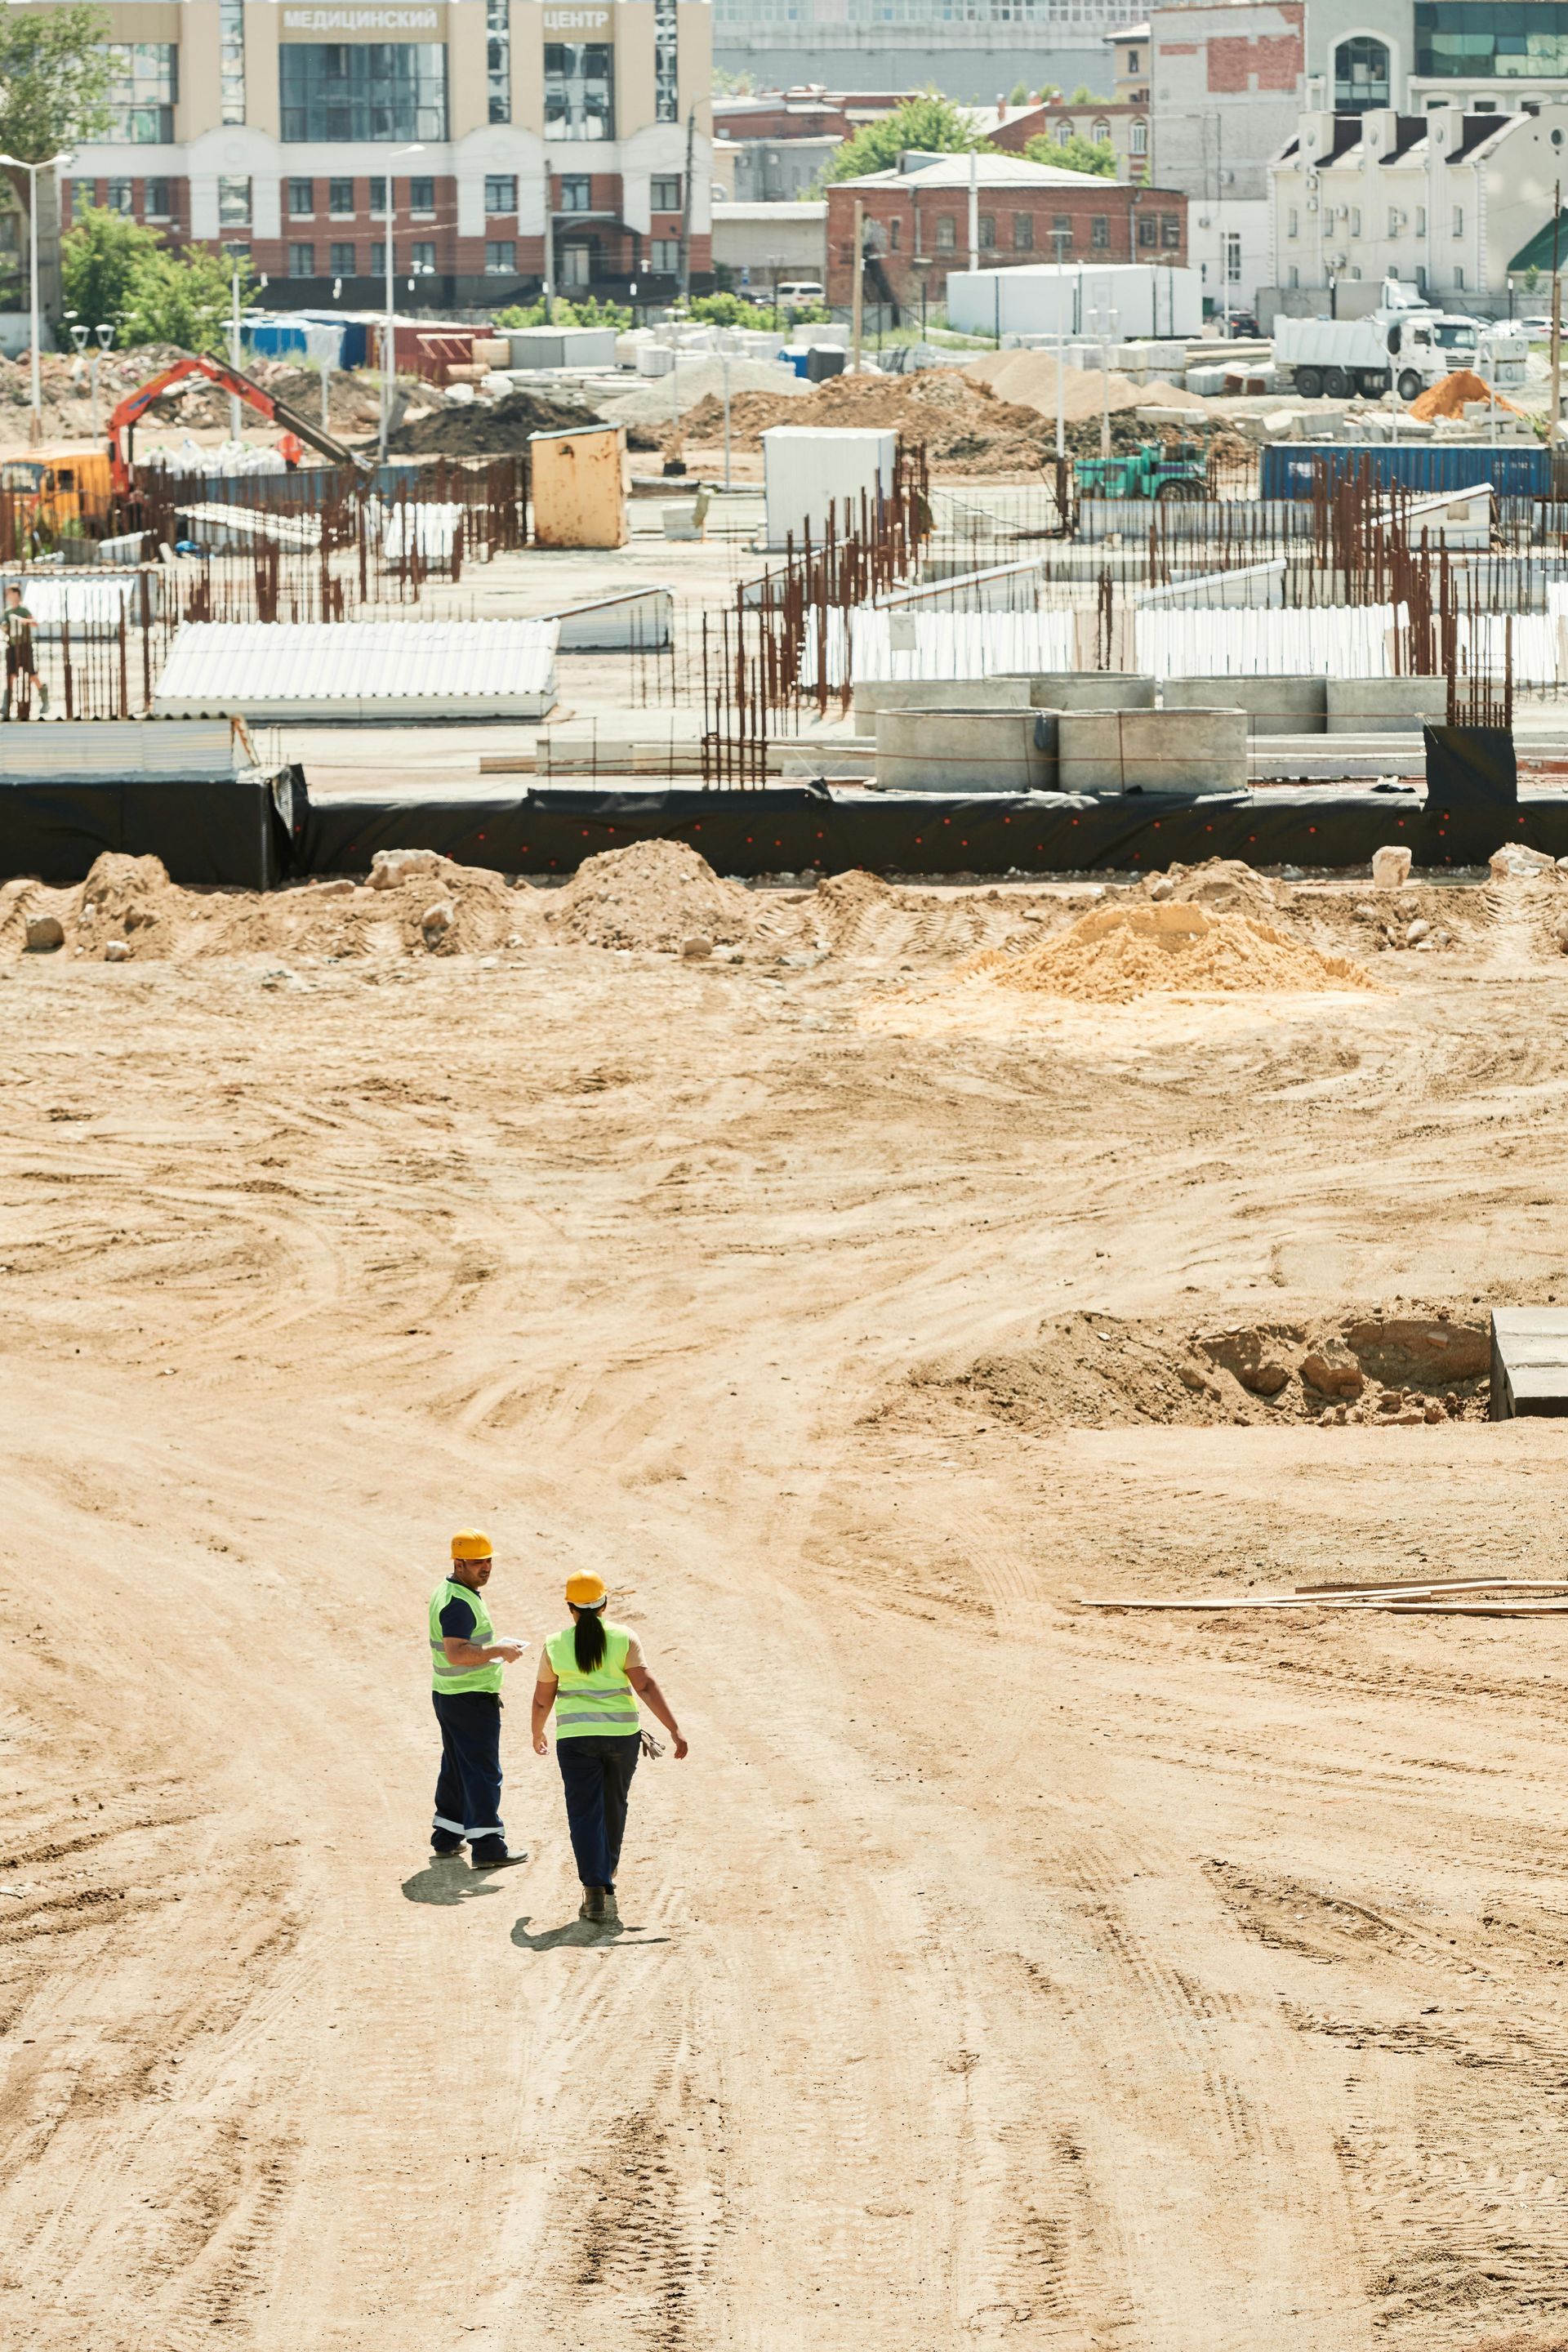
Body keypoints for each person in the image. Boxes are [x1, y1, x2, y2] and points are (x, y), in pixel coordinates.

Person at [532, 1573, 687, 1924]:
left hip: (575, 1741)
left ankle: (595, 1890)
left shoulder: (554, 1644)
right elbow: (644, 1685)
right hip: (621, 1738)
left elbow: (543, 1699)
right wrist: (674, 1729)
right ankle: (607, 1877)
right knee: (614, 1805)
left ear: (569, 1606)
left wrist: (536, 1732)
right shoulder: (624, 1638)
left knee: (585, 1813)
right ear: (605, 1603)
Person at [428, 1530, 528, 1870]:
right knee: (483, 1771)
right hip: (469, 1699)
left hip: (449, 1695)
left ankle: (447, 1835)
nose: (486, 1568)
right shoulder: (457, 1602)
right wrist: (498, 1650)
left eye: (488, 1561)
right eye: (477, 1562)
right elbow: (457, 1653)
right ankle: (487, 1846)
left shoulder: (452, 1590)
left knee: (456, 1766)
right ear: (459, 1563)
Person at [2, 584, 47, 719]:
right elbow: (3, 626)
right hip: (12, 646)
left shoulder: (23, 609)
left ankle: (45, 699)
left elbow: (34, 623)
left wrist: (22, 621)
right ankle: (6, 706)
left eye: (10, 593)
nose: (8, 596)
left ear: (16, 594)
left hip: (25, 646)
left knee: (32, 675)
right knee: (11, 675)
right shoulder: (7, 611)